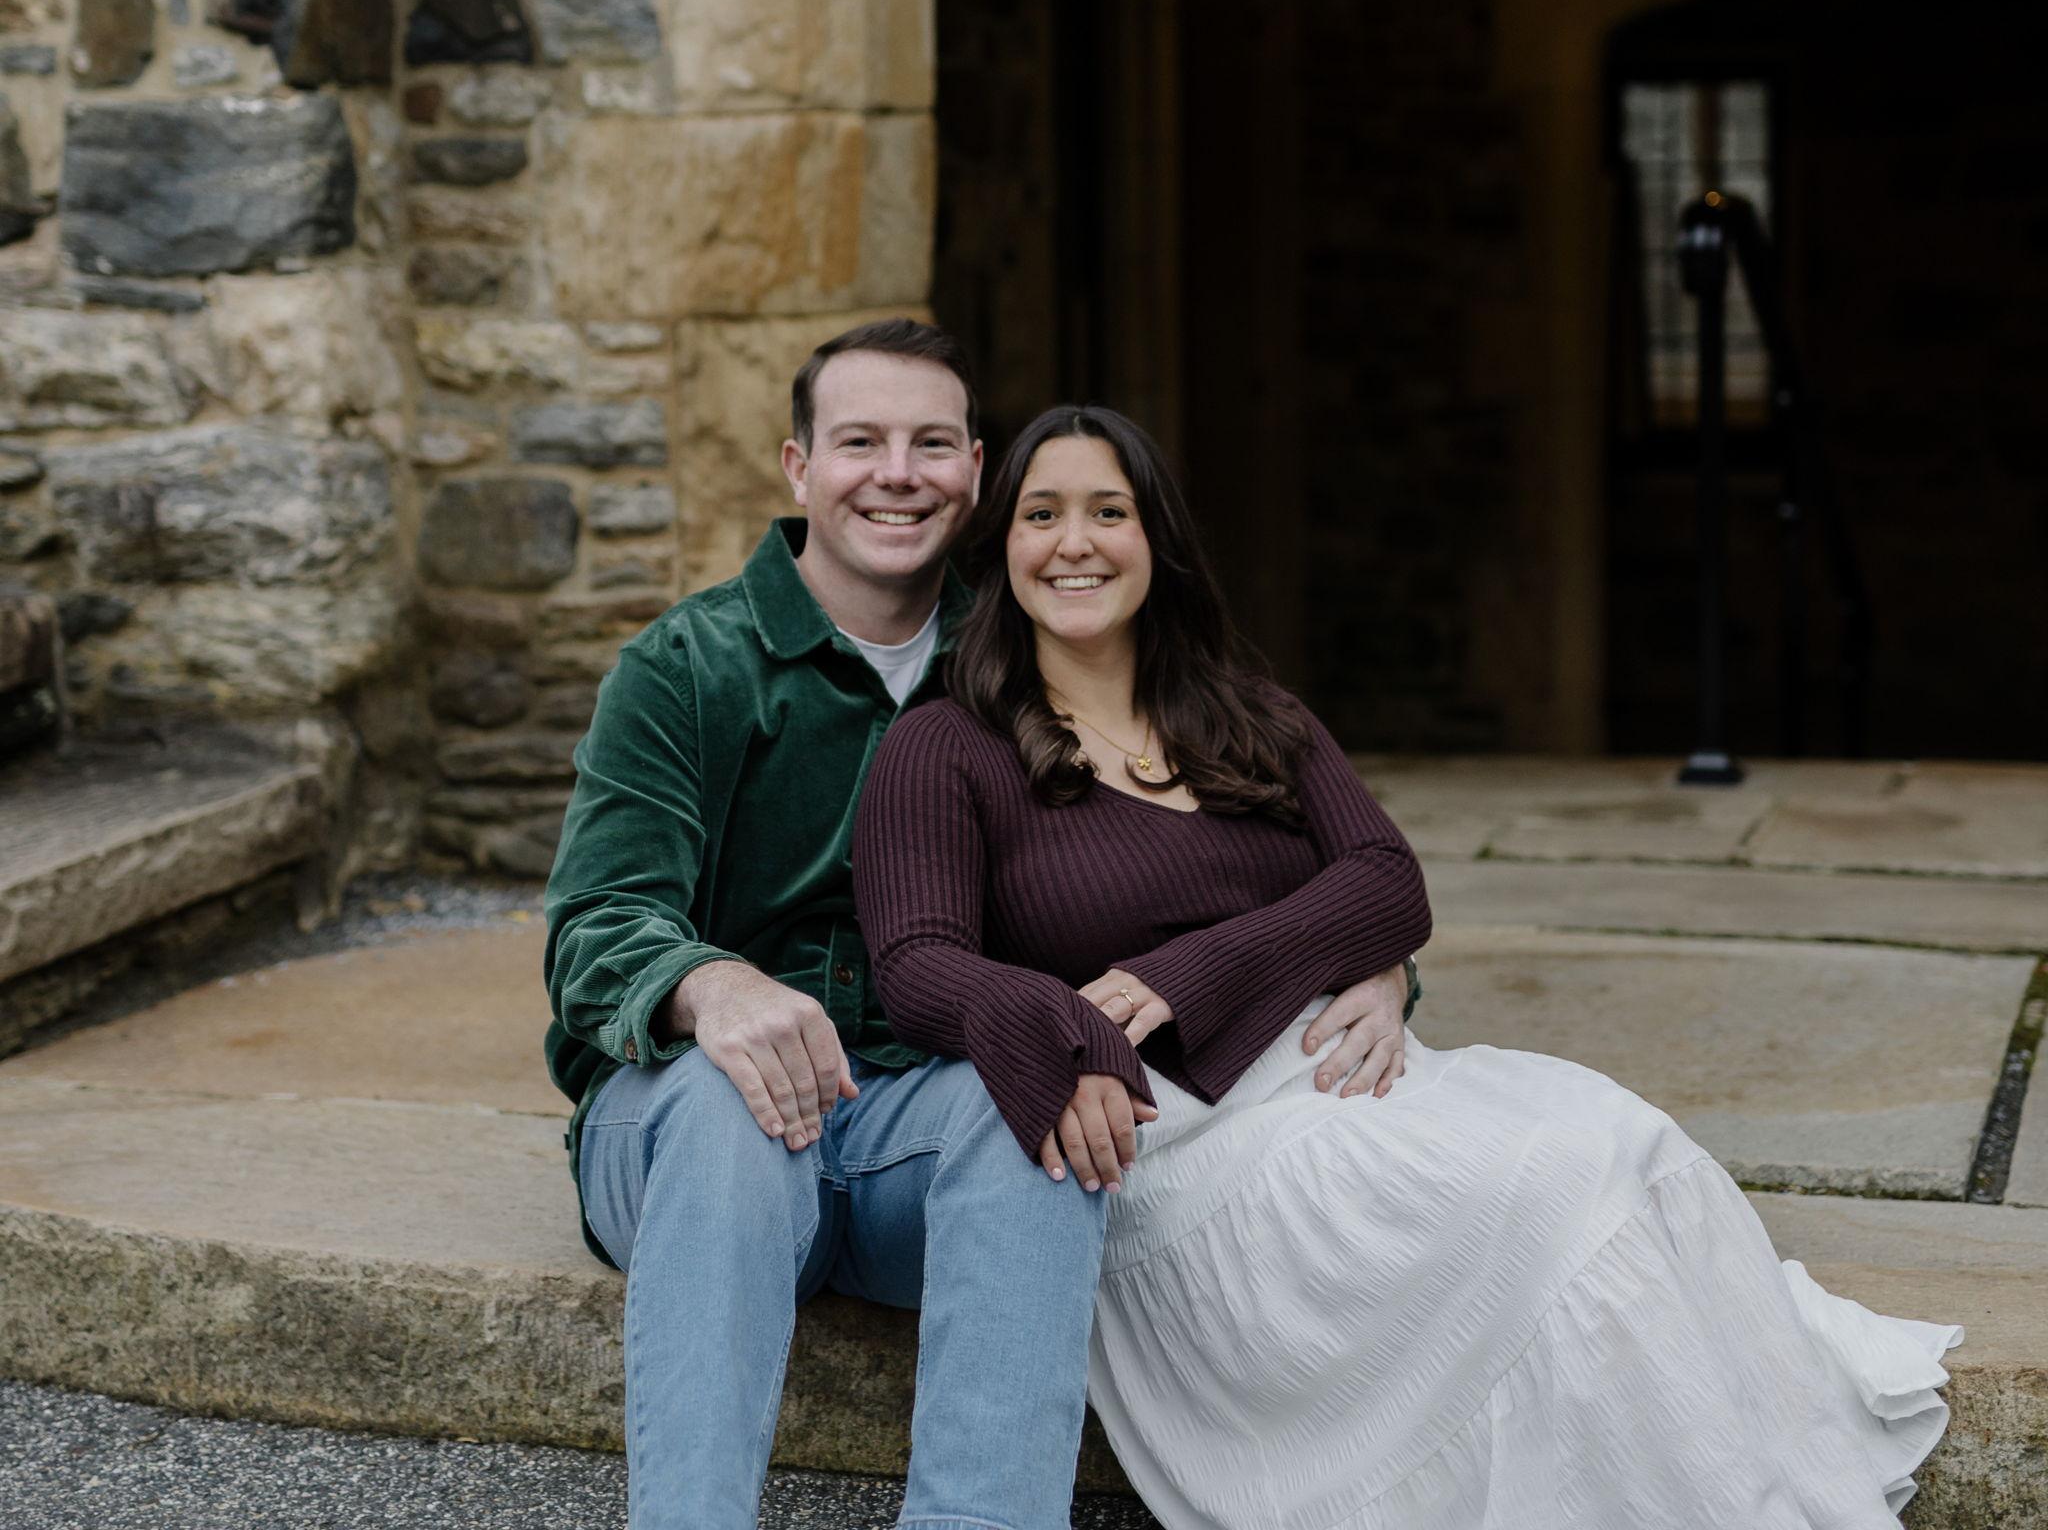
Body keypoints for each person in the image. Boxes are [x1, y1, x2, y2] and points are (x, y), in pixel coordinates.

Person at [851, 402, 1963, 1530]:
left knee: (1620, 1140)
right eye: (1041, 515)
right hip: (1187, 1134)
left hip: (1356, 1074)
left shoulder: (1244, 710)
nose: (1074, 543)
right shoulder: (948, 743)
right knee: (1541, 1195)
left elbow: (1386, 881)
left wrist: (1218, 967)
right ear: (1001, 546)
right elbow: (917, 964)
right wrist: (1060, 1022)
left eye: (1108, 511)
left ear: (1158, 540)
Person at [541, 320, 1420, 1530]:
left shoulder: (1026, 650)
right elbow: (595, 921)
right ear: (799, 466)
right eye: (860, 442)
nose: (896, 473)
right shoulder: (686, 663)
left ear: (974, 471)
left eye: (930, 444)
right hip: (691, 1128)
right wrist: (711, 986)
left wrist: (1370, 960)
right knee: (726, 1096)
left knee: (1033, 1099)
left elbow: (1211, 865)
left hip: (912, 1122)